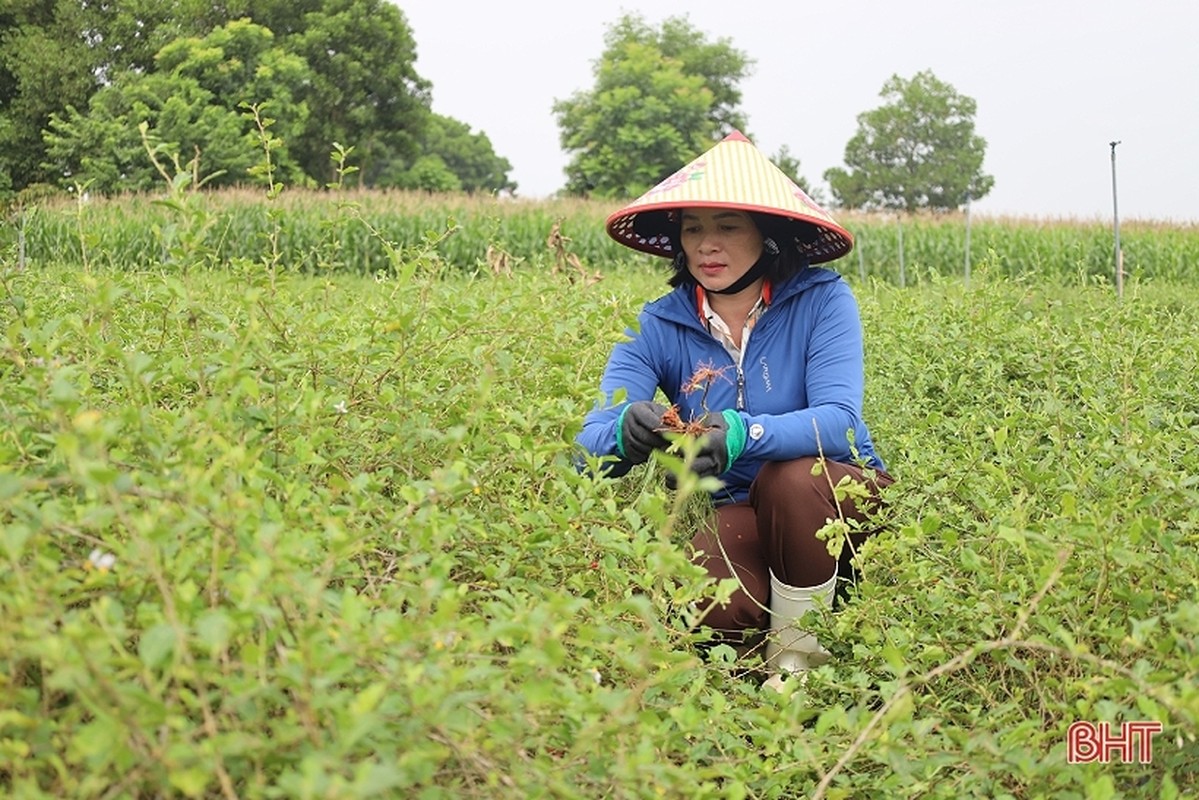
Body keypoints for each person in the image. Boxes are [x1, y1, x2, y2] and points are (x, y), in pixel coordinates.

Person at [576, 131, 893, 690]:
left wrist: (747, 432)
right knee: (712, 602)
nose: (706, 245)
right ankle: (747, 676)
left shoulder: (822, 300)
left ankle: (800, 673)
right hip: (739, 509)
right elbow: (588, 446)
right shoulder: (658, 324)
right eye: (693, 228)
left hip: (839, 497)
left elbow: (841, 420)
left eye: (727, 226)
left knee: (790, 479)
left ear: (768, 237)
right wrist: (625, 434)